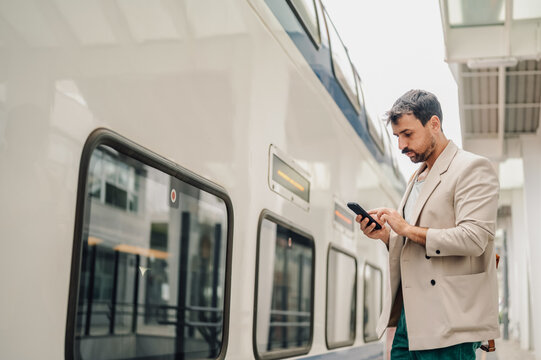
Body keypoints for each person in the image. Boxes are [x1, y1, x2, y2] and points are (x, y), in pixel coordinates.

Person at [356, 90, 500, 359]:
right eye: (397, 137)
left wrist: (407, 229)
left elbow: (474, 238)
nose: (401, 145)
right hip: (409, 322)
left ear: (434, 124)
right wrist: (388, 236)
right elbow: (413, 243)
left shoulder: (473, 168)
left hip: (449, 320)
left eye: (407, 134)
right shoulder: (417, 177)